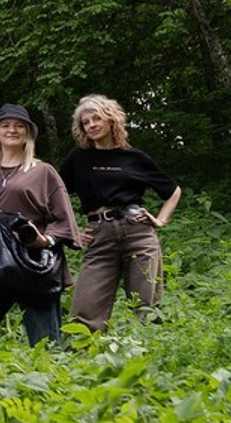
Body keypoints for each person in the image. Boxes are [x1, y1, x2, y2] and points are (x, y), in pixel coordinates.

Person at [0, 104, 79, 352]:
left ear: (28, 134)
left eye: (19, 126)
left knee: (46, 345)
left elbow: (63, 220)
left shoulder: (43, 172)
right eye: (5, 125)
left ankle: (49, 387)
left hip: (34, 268)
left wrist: (43, 241)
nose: (12, 130)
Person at [60, 94, 182, 331]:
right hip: (99, 234)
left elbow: (173, 190)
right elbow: (56, 195)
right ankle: (82, 360)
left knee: (145, 307)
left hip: (138, 232)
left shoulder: (135, 157)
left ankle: (142, 358)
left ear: (111, 120)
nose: (92, 125)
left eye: (97, 118)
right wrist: (71, 230)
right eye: (86, 122)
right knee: (84, 308)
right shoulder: (78, 159)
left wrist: (160, 220)